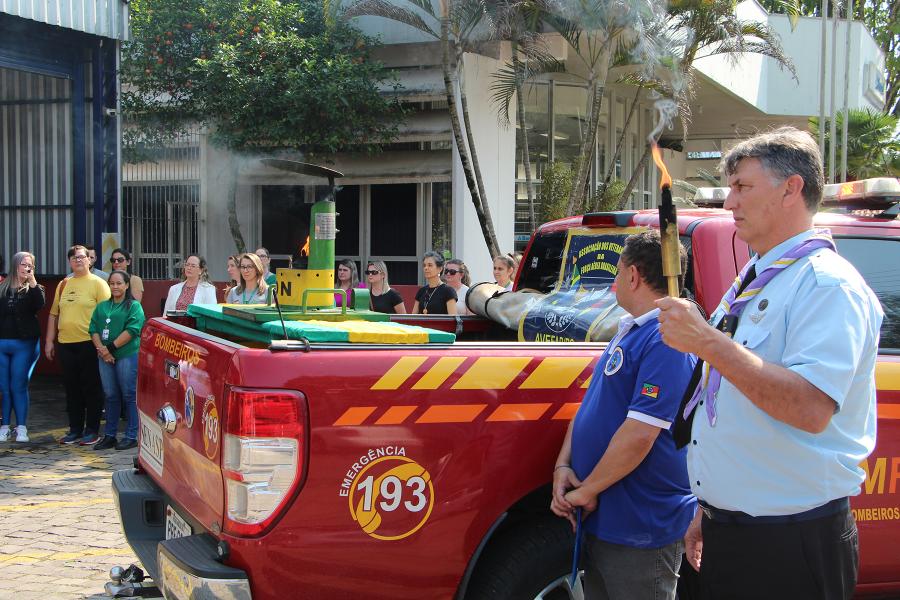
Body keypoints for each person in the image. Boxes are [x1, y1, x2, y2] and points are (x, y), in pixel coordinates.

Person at [657, 127, 883, 600]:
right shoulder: (758, 277)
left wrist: (708, 342)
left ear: (791, 189)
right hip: (732, 529)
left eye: (743, 187)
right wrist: (711, 507)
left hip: (790, 540)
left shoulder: (826, 285)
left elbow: (811, 407)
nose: (729, 203)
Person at [550, 231, 695, 600]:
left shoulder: (667, 340)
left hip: (640, 526)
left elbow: (640, 434)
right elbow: (594, 406)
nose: (614, 281)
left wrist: (587, 489)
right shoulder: (632, 331)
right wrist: (563, 466)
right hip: (608, 518)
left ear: (633, 276)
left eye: (617, 272)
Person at [46, 245, 111, 446]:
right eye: (74, 257)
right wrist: (49, 340)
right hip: (66, 343)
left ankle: (91, 430)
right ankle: (75, 429)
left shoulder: (98, 284)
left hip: (89, 344)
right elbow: (53, 314)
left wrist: (104, 345)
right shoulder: (64, 284)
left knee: (91, 387)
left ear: (90, 260)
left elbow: (108, 315)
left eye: (82, 257)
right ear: (69, 261)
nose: (79, 260)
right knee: (72, 388)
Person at [89, 271, 145, 451]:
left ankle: (131, 435)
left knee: (129, 394)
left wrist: (109, 349)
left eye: (119, 283)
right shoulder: (102, 306)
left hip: (126, 354)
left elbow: (133, 330)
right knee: (111, 395)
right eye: (112, 283)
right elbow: (94, 329)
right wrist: (102, 350)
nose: (115, 287)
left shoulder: (134, 306)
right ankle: (110, 435)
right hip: (104, 356)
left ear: (127, 285)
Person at [0, 252, 44, 443]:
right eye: (23, 264)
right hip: (2, 343)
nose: (27, 267)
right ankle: (4, 426)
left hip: (24, 343)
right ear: (15, 265)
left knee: (18, 384)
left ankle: (22, 427)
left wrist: (32, 280)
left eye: (30, 265)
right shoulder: (2, 287)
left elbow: (39, 305)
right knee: (4, 386)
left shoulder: (35, 288)